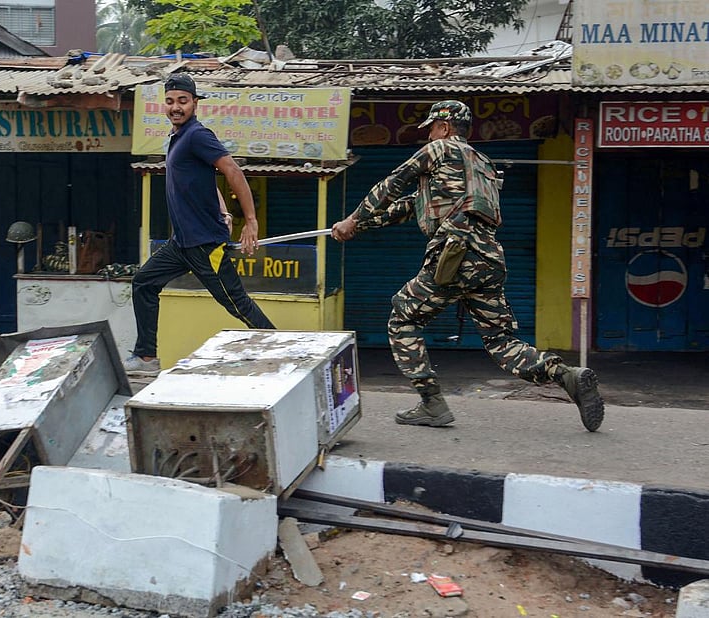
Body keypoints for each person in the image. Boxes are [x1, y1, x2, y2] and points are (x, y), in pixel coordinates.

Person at [331, 100, 604, 431]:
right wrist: (358, 226)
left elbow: (394, 182)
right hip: (488, 258)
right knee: (501, 341)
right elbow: (410, 206)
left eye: (430, 129)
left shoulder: (440, 149)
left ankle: (432, 403)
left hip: (455, 254)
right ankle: (568, 376)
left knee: (402, 318)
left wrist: (353, 217)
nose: (427, 136)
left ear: (444, 128)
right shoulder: (482, 164)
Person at [123, 73, 276, 377]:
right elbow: (205, 180)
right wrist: (222, 209)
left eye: (182, 101)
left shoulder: (197, 135)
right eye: (170, 101)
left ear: (195, 103)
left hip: (205, 244)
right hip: (181, 243)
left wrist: (251, 221)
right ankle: (147, 357)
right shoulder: (178, 139)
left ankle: (283, 351)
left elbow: (231, 170)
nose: (175, 107)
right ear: (164, 105)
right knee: (144, 282)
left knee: (236, 303)